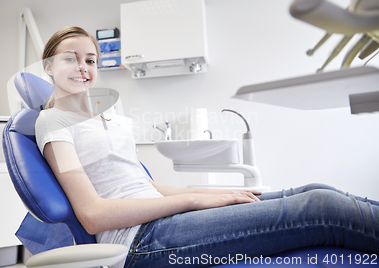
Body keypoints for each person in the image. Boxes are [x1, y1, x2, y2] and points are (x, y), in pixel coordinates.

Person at [35, 26, 379, 268]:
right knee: (321, 206)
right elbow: (93, 216)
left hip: (163, 219)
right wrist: (191, 200)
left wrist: (213, 195)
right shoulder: (53, 122)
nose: (83, 67)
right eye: (71, 58)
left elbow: (147, 187)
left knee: (313, 189)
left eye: (91, 60)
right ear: (49, 67)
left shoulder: (104, 118)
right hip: (141, 243)